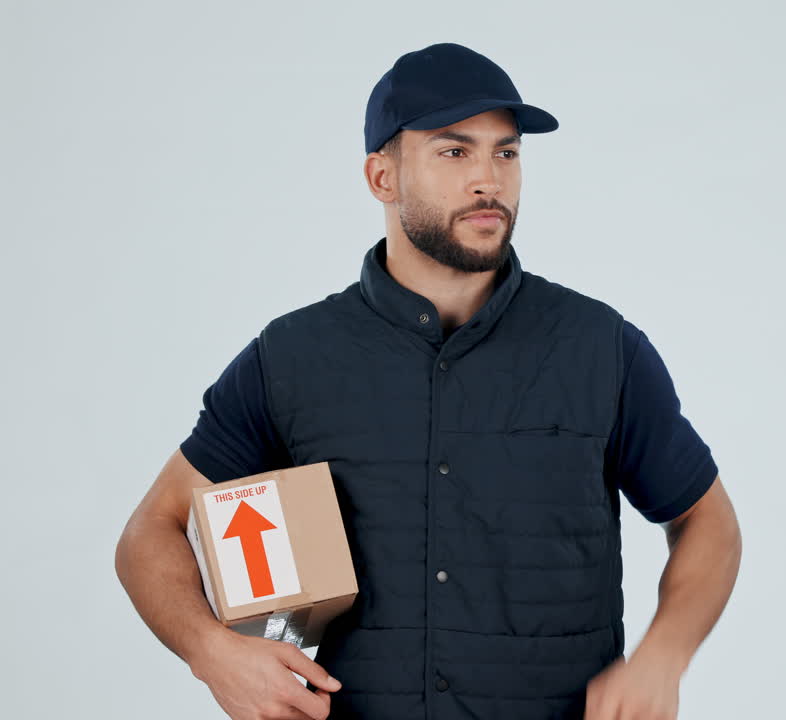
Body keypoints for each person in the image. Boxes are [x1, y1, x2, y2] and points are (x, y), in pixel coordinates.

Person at [114, 42, 742, 720]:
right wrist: (212, 652)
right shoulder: (291, 357)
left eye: (506, 152)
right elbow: (152, 530)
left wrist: (664, 656)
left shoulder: (601, 348)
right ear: (382, 177)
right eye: (454, 151)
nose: (489, 180)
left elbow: (706, 519)